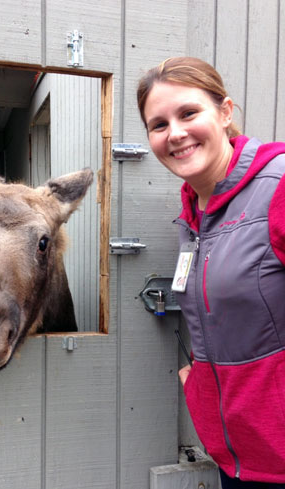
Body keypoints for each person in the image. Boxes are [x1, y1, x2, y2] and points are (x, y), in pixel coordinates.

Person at [137, 57, 285, 488]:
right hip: (236, 458)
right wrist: (199, 380)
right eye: (159, 124)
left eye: (188, 113)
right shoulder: (195, 214)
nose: (176, 134)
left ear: (224, 112)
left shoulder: (277, 188)